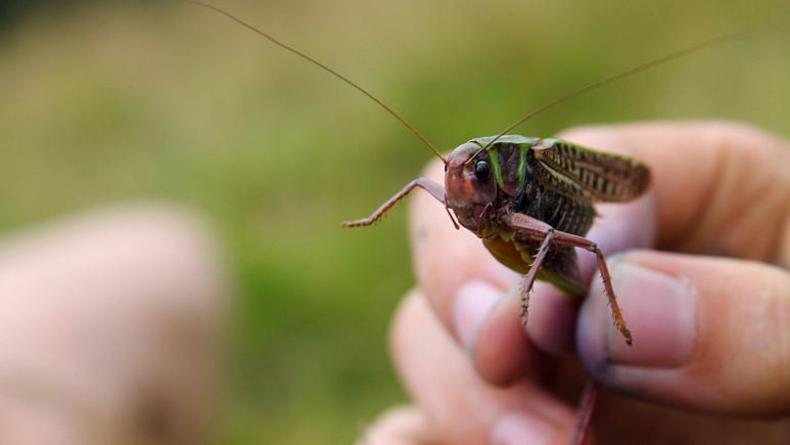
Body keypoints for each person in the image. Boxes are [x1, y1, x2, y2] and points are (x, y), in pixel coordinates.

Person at [361, 121, 790, 444]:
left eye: (475, 175)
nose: (461, 186)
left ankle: (619, 319)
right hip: (529, 247)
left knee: (584, 249)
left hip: (560, 220)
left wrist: (526, 293)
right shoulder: (466, 179)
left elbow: (549, 234)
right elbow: (424, 183)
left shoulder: (520, 163)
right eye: (457, 178)